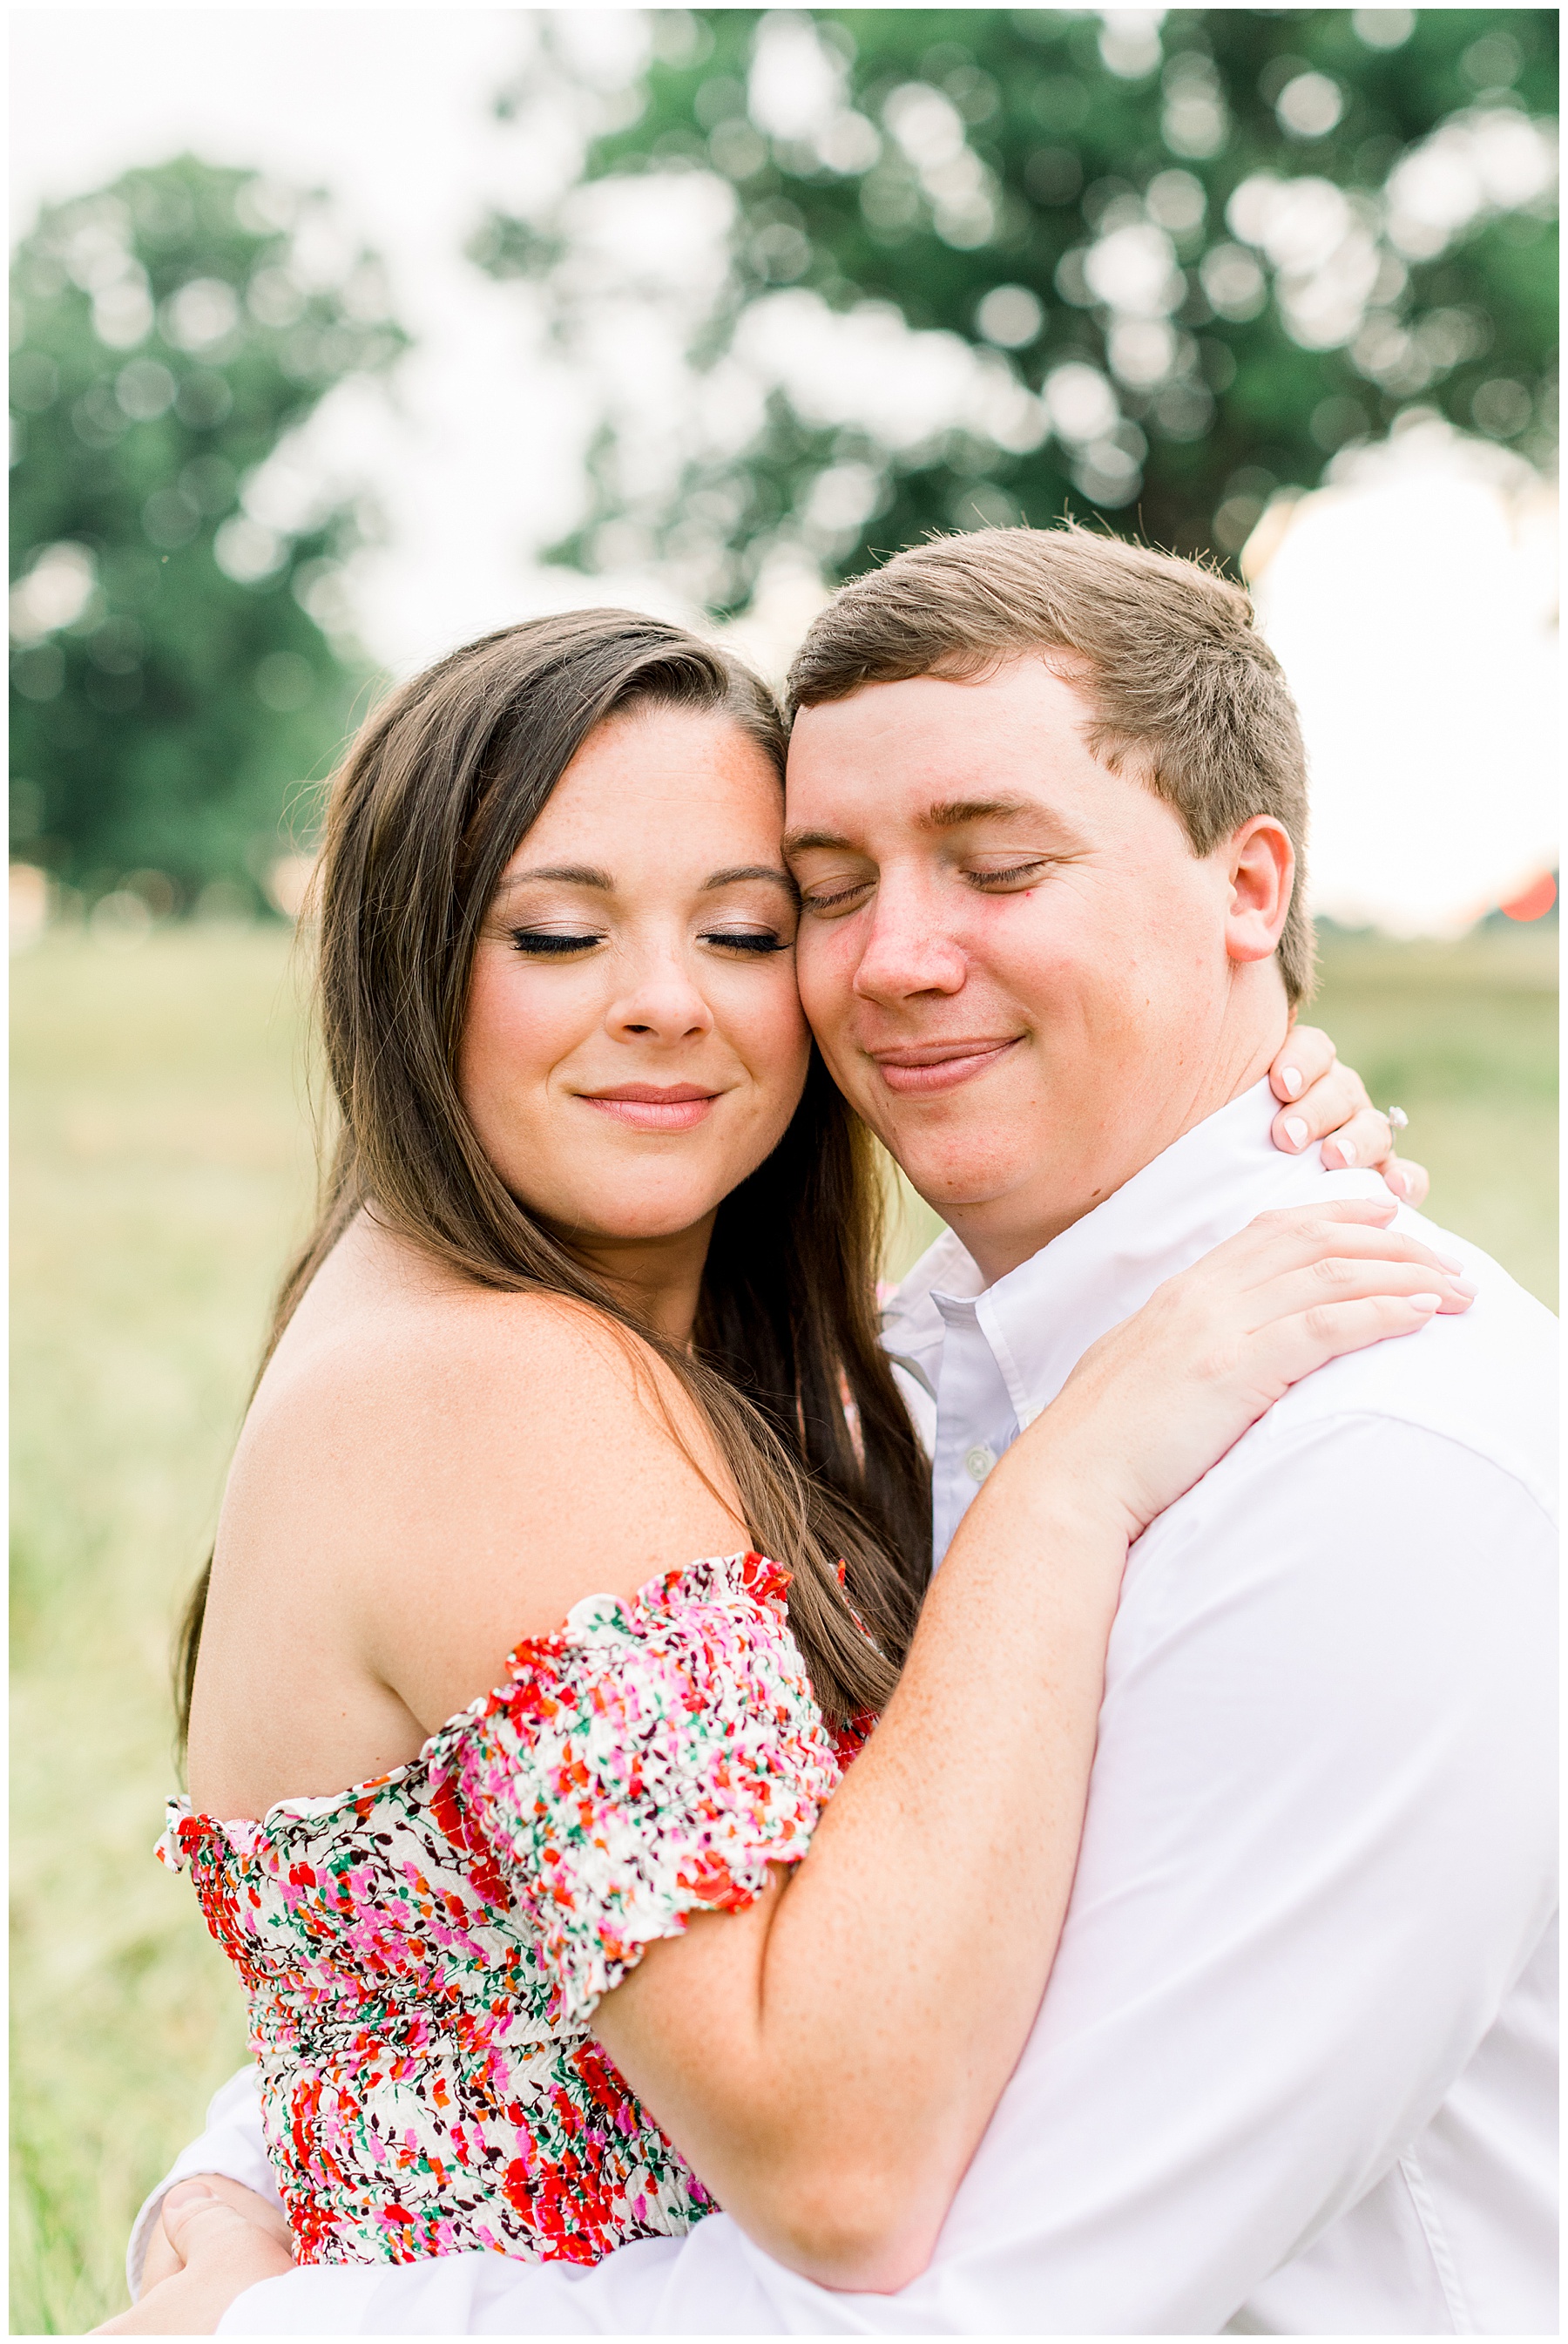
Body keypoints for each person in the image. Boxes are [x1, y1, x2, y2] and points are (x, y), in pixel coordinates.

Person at [120, 529, 1553, 2336]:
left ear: (1248, 885)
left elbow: (969, 2278)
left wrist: (270, 2308)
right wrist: (243, 2192)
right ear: (410, 962)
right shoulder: (708, 1379)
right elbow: (533, 2018)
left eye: (741, 927)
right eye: (828, 891)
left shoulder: (1367, 1469)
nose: (886, 963)